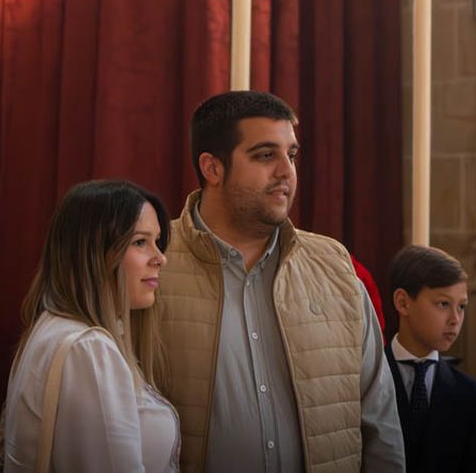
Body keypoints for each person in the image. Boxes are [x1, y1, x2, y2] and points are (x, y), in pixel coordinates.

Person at [157, 90, 404, 472]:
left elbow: (379, 418)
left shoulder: (335, 268)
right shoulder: (152, 266)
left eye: (291, 155)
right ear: (213, 168)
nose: (286, 172)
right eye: (265, 155)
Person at [0, 180, 178, 472]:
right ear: (95, 253)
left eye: (157, 241)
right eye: (140, 242)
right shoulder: (89, 351)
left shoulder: (53, 326)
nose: (160, 258)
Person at [384, 245, 476, 473]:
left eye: (461, 307)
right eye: (443, 304)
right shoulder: (368, 378)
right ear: (403, 302)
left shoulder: (468, 392)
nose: (455, 319)